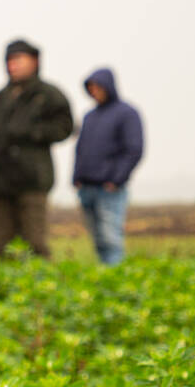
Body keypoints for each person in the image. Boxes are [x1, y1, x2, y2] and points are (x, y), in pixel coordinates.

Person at [0, 39, 75, 258]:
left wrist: (35, 133)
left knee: (35, 243)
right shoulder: (0, 98)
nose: (14, 65)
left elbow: (65, 126)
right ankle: (3, 290)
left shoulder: (47, 94)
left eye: (19, 59)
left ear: (35, 61)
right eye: (10, 61)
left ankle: (40, 289)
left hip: (32, 180)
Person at [73, 68, 145, 266]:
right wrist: (77, 178)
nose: (94, 91)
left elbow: (134, 150)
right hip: (86, 187)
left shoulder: (127, 113)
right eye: (91, 88)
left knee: (110, 238)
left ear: (108, 86)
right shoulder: (90, 116)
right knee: (97, 239)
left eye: (97, 87)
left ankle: (115, 281)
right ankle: (105, 277)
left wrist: (115, 180)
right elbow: (81, 149)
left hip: (109, 189)